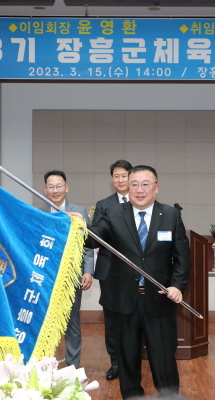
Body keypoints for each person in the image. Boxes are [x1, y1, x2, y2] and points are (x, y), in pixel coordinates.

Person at [87, 165, 191, 399]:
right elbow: (92, 240)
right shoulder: (113, 213)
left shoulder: (171, 215)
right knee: (127, 360)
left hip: (159, 301)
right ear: (127, 187)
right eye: (134, 184)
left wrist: (177, 285)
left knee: (164, 360)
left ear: (156, 188)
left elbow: (182, 258)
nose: (140, 189)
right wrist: (75, 227)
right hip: (123, 302)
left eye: (146, 184)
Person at [41, 170, 94, 369]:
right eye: (51, 187)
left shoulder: (79, 211)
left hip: (72, 276)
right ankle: (46, 364)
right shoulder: (40, 214)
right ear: (45, 190)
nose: (56, 190)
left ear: (66, 188)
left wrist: (87, 271)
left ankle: (72, 365)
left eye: (59, 186)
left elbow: (87, 245)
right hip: (47, 277)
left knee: (72, 322)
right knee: (47, 322)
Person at [92, 159, 133, 380]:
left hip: (135, 271)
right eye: (116, 176)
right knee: (112, 319)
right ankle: (115, 363)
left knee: (135, 316)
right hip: (109, 271)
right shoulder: (104, 204)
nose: (120, 180)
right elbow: (96, 238)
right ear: (112, 179)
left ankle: (133, 361)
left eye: (124, 175)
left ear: (131, 177)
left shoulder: (141, 201)